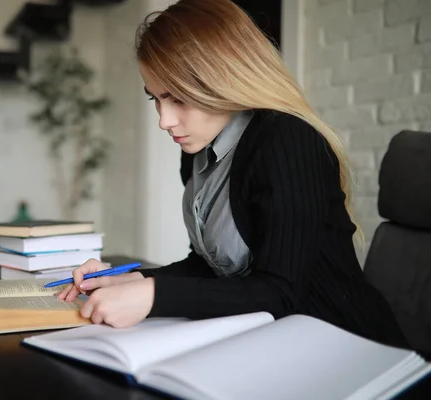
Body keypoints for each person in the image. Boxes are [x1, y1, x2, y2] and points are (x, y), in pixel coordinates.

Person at [57, 0, 410, 349]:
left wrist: (153, 296)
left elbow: (279, 291)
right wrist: (131, 280)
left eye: (178, 98)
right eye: (156, 99)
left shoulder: (287, 140)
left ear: (222, 79)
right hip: (272, 343)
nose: (164, 121)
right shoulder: (197, 152)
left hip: (346, 345)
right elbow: (214, 268)